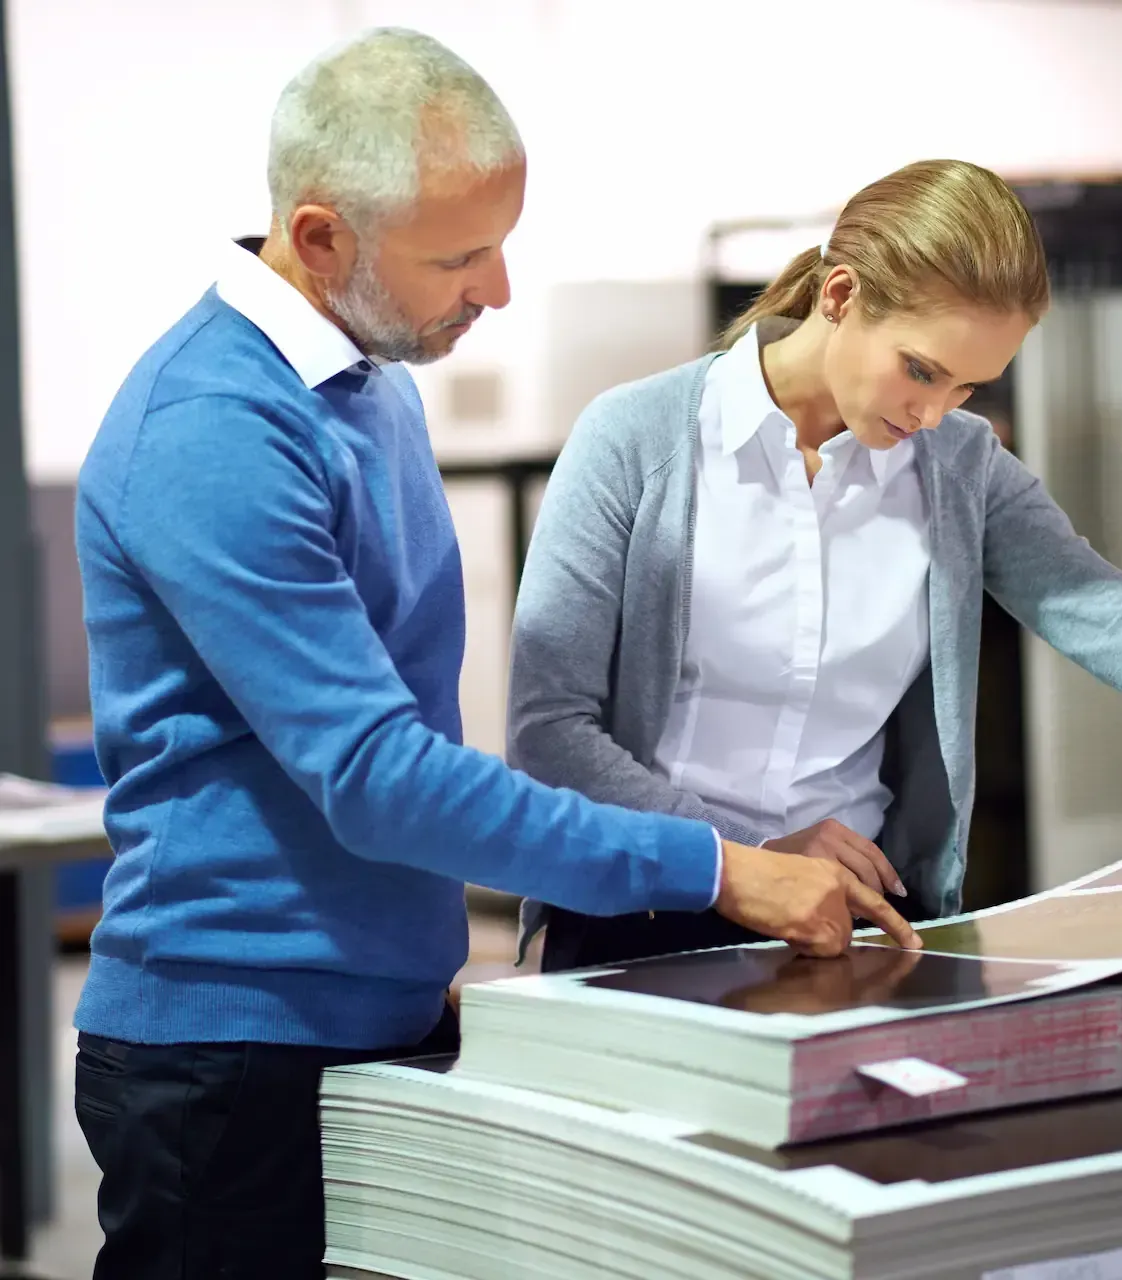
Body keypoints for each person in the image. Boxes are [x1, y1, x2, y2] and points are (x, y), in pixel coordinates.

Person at [71, 29, 919, 1280]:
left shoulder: (366, 383)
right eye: (459, 256)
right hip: (229, 1061)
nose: (499, 288)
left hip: (366, 1021)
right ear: (318, 240)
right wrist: (714, 865)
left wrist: (422, 976)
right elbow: (377, 775)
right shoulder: (215, 430)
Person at [508, 157, 1122, 974]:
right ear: (840, 297)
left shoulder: (958, 466)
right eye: (921, 370)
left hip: (862, 919)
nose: (934, 412)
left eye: (969, 388)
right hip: (651, 905)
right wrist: (747, 852)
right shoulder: (635, 439)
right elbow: (550, 731)